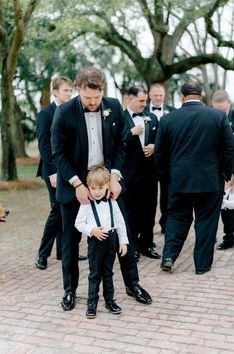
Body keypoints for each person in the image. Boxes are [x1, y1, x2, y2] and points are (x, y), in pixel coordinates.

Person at [51, 67, 152, 311]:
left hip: (108, 184)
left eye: (97, 98)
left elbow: (120, 146)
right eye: (88, 98)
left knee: (121, 231)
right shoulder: (64, 113)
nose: (94, 103)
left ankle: (132, 283)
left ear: (103, 91)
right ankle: (69, 291)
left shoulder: (114, 106)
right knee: (70, 241)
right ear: (78, 90)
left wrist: (115, 177)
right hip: (74, 186)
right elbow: (58, 154)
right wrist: (76, 183)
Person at [155, 79, 234, 275]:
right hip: (210, 180)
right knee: (206, 222)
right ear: (201, 96)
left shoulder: (168, 119)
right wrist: (225, 173)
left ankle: (169, 256)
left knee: (176, 218)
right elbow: (229, 148)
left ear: (182, 96)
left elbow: (159, 153)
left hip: (179, 180)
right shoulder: (217, 117)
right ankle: (202, 265)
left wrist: (167, 175)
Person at [35, 76, 86, 270]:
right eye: (66, 91)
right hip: (53, 171)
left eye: (71, 91)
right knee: (57, 209)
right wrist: (53, 173)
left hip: (70, 169)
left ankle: (63, 251)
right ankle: (42, 253)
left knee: (67, 208)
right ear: (56, 92)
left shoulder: (72, 111)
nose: (70, 94)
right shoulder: (46, 114)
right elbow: (45, 146)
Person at [75, 165, 128, 318]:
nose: (96, 192)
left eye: (100, 188)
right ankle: (92, 303)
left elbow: (120, 223)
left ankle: (110, 301)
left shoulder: (113, 203)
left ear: (107, 186)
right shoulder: (86, 205)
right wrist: (92, 230)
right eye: (92, 188)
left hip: (111, 241)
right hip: (95, 243)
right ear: (88, 188)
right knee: (95, 273)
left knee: (108, 272)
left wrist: (123, 242)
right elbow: (78, 223)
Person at [122, 85, 160, 261]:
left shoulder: (151, 118)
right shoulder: (120, 119)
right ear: (129, 99)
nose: (145, 104)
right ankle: (132, 247)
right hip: (129, 175)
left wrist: (154, 147)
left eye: (146, 100)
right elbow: (114, 143)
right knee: (131, 213)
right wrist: (131, 133)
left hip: (150, 175)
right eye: (141, 100)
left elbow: (160, 139)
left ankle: (147, 244)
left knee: (149, 211)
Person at [146, 83, 176, 234]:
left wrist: (156, 147)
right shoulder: (142, 111)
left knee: (167, 196)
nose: (158, 98)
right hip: (146, 163)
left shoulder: (173, 112)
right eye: (155, 95)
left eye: (161, 95)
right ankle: (147, 228)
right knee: (149, 198)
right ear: (149, 95)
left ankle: (165, 224)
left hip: (166, 162)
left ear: (165, 96)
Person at [211, 89, 234, 250]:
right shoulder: (208, 118)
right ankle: (229, 236)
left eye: (223, 110)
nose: (220, 113)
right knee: (224, 206)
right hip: (217, 169)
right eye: (217, 110)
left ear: (229, 104)